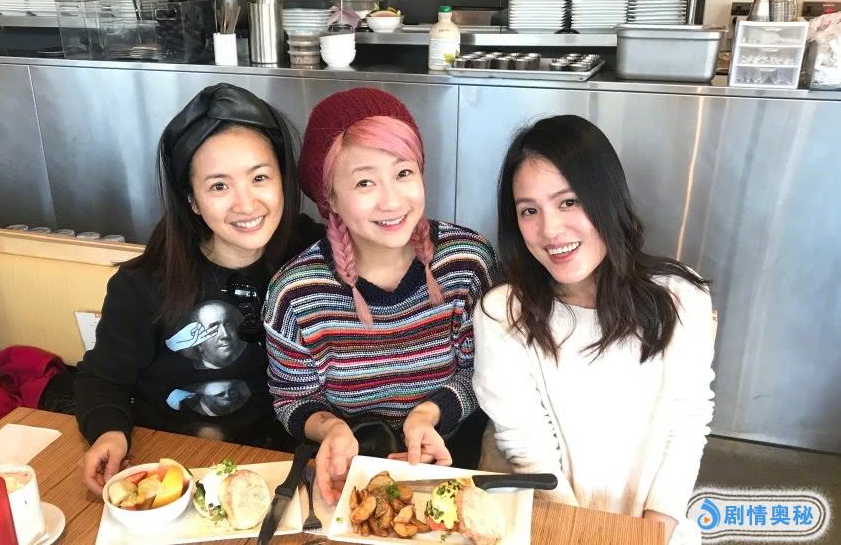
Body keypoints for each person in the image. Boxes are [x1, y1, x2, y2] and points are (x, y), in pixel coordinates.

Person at [472, 115, 715, 545]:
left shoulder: (680, 297)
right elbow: (527, 444)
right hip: (549, 525)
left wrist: (648, 535)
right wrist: (581, 535)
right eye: (529, 210)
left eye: (568, 202)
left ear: (606, 197)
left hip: (657, 529)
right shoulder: (503, 313)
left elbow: (687, 423)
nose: (550, 230)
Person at [75, 84, 323, 494]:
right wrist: (109, 432)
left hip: (288, 471)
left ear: (283, 179)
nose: (246, 204)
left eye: (260, 177)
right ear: (192, 199)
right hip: (180, 468)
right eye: (219, 186)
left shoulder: (314, 253)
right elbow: (102, 380)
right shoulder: (144, 284)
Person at [263, 88, 498, 506]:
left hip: (451, 469)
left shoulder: (466, 262)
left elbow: (482, 373)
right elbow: (292, 398)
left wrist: (428, 414)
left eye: (403, 172)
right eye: (365, 182)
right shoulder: (294, 293)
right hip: (348, 481)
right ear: (330, 198)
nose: (391, 200)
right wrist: (331, 429)